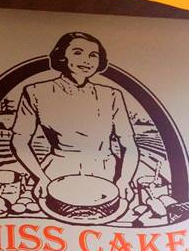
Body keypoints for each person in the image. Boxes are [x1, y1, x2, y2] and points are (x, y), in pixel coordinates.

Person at [11, 31, 139, 201]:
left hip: (106, 171)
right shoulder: (35, 92)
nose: (87, 60)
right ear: (62, 56)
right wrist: (40, 177)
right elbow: (19, 140)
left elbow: (128, 143)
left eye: (93, 55)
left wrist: (124, 180)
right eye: (78, 53)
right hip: (57, 171)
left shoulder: (111, 95)